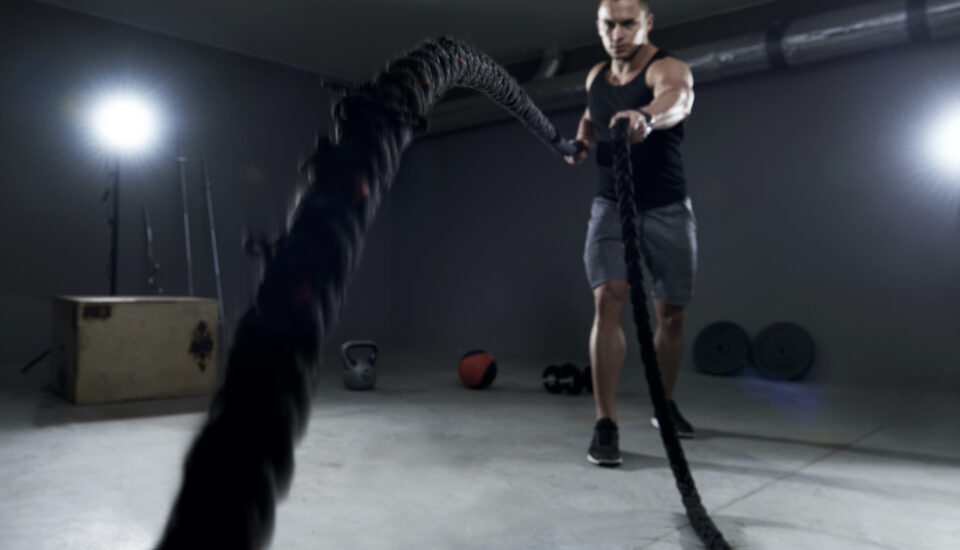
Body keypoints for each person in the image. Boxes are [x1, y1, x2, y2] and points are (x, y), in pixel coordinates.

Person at [564, 0, 697, 467]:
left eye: (627, 24)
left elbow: (677, 100)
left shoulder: (668, 68)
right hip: (610, 202)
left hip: (665, 207)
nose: (617, 34)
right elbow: (590, 114)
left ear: (647, 24)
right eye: (608, 25)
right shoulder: (596, 75)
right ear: (598, 27)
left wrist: (646, 118)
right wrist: (582, 142)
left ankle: (664, 404)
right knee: (608, 298)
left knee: (673, 314)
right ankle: (606, 423)